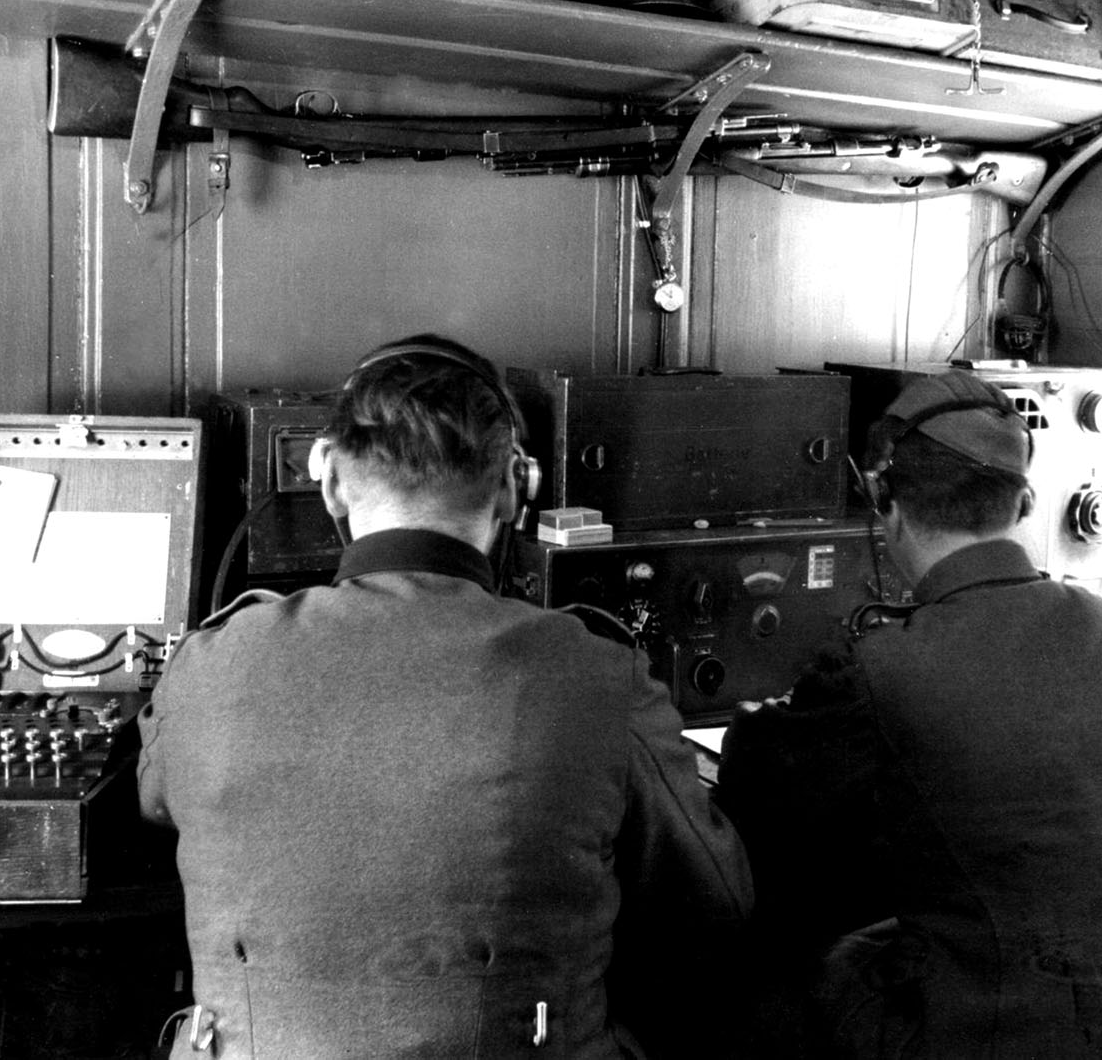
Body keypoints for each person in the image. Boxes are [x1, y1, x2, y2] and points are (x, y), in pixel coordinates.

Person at [137, 333, 753, 1058]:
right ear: (513, 490)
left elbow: (154, 798)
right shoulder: (595, 673)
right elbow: (718, 901)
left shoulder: (210, 664)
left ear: (329, 479)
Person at [716, 368, 1102, 1059]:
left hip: (989, 1037)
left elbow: (753, 804)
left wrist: (757, 719)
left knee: (764, 983)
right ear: (1025, 502)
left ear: (884, 500)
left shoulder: (878, 667)